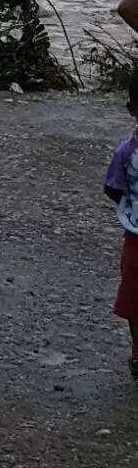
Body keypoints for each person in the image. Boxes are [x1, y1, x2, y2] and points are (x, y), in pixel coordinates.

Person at [103, 70, 138, 381]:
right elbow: (113, 188)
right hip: (136, 237)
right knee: (133, 296)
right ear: (133, 109)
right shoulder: (126, 152)